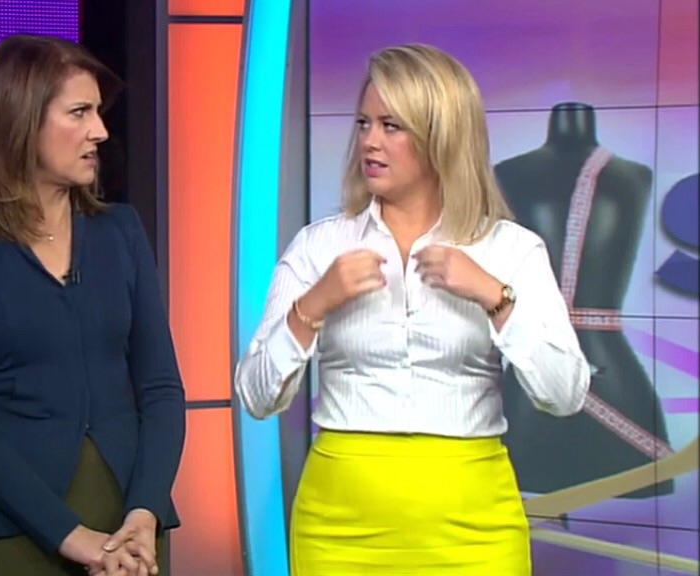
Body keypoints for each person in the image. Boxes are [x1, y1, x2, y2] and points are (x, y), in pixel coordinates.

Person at [234, 43, 590, 576]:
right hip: (340, 528)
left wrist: (495, 297)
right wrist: (313, 306)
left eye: (391, 126)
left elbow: (565, 394)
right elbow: (255, 397)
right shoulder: (318, 247)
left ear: (440, 136)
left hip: (474, 528)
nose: (369, 142)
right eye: (363, 123)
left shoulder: (509, 249)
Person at [0, 34, 186, 576]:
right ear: (20, 123)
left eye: (99, 113)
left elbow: (161, 389)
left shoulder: (120, 231)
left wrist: (145, 511)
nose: (100, 131)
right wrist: (70, 535)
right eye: (80, 113)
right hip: (6, 526)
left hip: (128, 527)